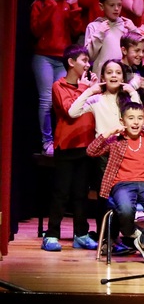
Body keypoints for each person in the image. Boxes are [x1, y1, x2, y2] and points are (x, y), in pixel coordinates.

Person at [86, 102, 144, 263]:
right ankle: (135, 234)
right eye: (131, 118)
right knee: (126, 209)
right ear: (123, 121)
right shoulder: (116, 141)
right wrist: (108, 133)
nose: (136, 122)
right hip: (122, 184)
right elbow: (91, 151)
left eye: (140, 118)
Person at [44, 45, 97, 251]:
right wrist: (86, 89)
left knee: (80, 193)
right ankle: (51, 235)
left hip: (86, 146)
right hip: (66, 146)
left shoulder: (87, 86)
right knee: (61, 192)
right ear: (71, 62)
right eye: (84, 60)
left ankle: (81, 234)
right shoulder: (59, 86)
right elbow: (69, 110)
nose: (87, 64)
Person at [31, 0, 83, 154]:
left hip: (63, 59)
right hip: (44, 57)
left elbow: (77, 30)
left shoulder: (67, 2)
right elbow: (36, 30)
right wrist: (50, 7)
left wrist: (75, 7)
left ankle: (62, 139)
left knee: (64, 101)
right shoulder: (39, 4)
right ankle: (47, 142)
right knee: (46, 100)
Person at [85, 0, 137, 72]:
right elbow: (89, 56)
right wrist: (99, 33)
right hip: (102, 78)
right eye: (112, 5)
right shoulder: (94, 27)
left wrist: (134, 31)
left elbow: (138, 53)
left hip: (123, 76)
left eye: (119, 5)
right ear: (102, 6)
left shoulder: (126, 26)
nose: (116, 8)